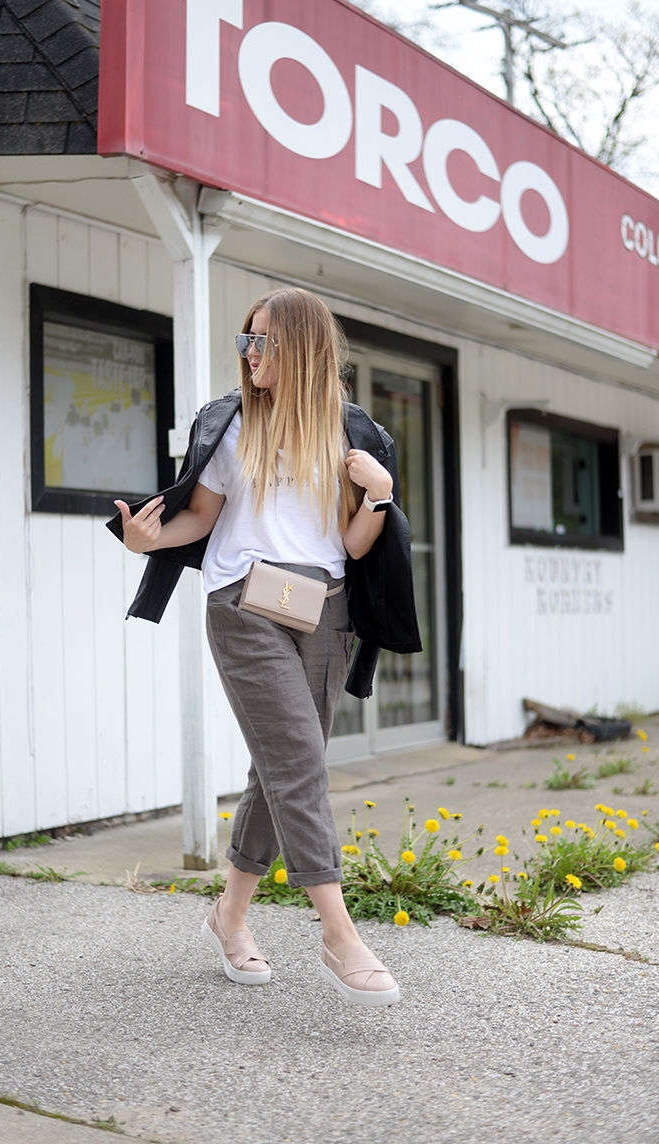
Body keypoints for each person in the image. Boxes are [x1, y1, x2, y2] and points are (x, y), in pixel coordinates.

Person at [113, 288, 413, 1007]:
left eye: (265, 342)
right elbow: (201, 521)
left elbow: (350, 543)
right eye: (246, 340)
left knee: (275, 768)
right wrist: (147, 538)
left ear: (303, 348)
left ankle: (230, 916)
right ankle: (339, 935)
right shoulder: (229, 425)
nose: (250, 354)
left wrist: (379, 496)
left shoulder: (350, 437)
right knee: (300, 762)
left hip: (323, 607)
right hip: (242, 601)